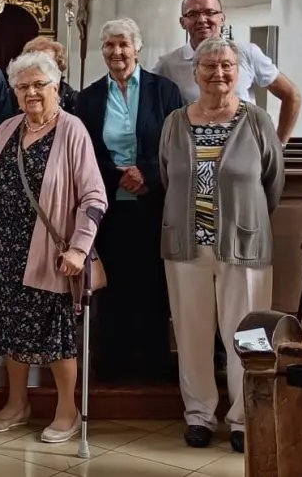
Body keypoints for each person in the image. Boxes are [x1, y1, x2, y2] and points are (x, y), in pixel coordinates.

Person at [159, 37, 283, 453]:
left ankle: (244, 418)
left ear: (239, 71)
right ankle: (198, 415)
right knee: (192, 335)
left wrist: (245, 218)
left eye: (227, 66)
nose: (218, 74)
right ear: (195, 74)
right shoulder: (176, 121)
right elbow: (167, 176)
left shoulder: (257, 120)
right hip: (187, 246)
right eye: (209, 66)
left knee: (245, 335)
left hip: (244, 245)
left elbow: (272, 183)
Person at [0, 51, 105, 446]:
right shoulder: (7, 128)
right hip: (7, 251)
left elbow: (94, 196)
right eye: (23, 86)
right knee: (11, 330)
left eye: (39, 85)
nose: (31, 92)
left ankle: (67, 409)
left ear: (56, 88)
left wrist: (80, 249)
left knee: (56, 336)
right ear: (14, 92)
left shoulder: (72, 129)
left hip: (52, 254)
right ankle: (17, 403)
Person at [75, 19, 185, 382]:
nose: (117, 52)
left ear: (137, 48)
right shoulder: (89, 97)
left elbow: (178, 144)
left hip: (154, 204)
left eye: (123, 45)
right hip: (108, 205)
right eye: (109, 45)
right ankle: (112, 364)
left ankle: (153, 364)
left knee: (152, 282)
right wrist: (118, 175)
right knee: (113, 283)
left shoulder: (163, 90)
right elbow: (84, 150)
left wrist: (147, 173)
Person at [153, 0, 302, 143]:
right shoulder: (168, 65)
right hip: (196, 151)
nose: (202, 19)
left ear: (222, 18)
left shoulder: (247, 53)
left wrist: (280, 144)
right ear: (182, 22)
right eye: (193, 14)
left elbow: (291, 95)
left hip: (244, 148)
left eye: (210, 12)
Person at [23, 35, 77, 114]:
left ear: (59, 65)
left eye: (47, 63)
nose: (40, 68)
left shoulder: (73, 99)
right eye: (34, 63)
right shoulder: (16, 93)